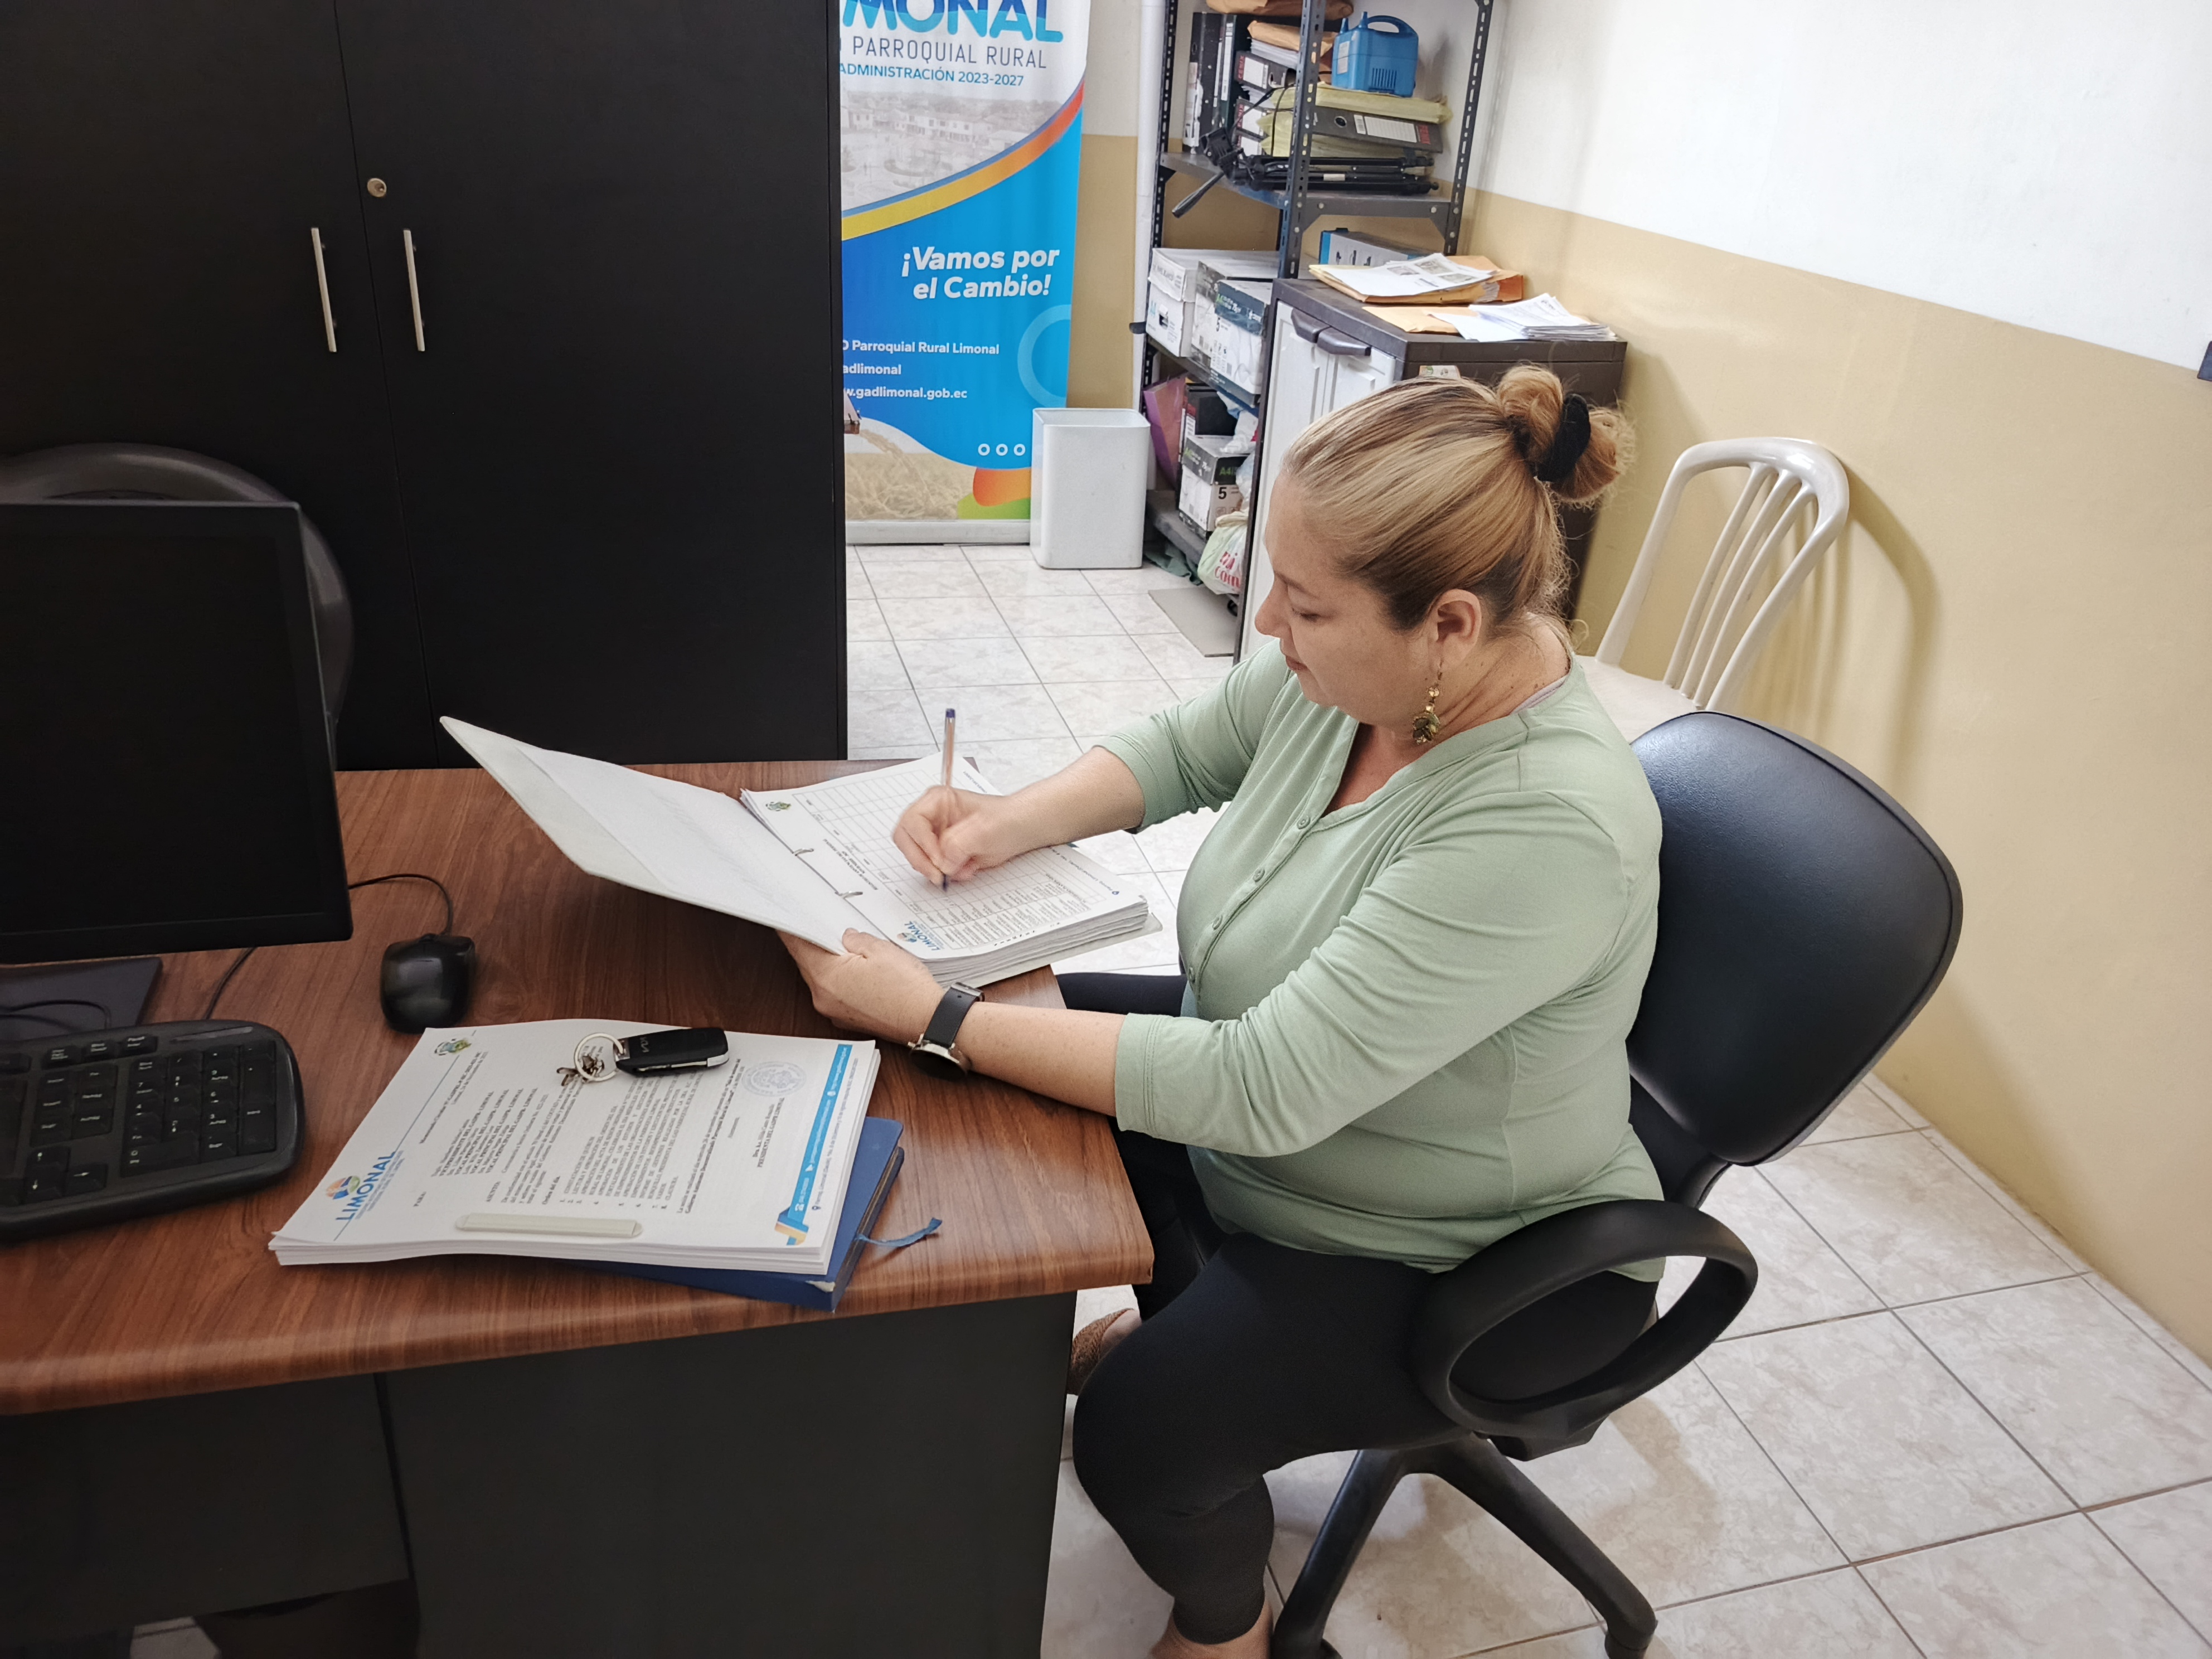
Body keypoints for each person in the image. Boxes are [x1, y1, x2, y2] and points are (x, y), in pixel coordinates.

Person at [782, 365, 1661, 1659]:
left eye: (1304, 604)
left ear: (1449, 624)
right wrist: (1003, 823)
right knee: (994, 1056)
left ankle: (1225, 1629)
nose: (1267, 624)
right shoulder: (1373, 683)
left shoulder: (1544, 822)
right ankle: (1181, 1307)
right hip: (1299, 1117)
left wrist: (940, 1014)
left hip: (1445, 1247)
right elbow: (1188, 747)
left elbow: (1263, 1088)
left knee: (1135, 1439)